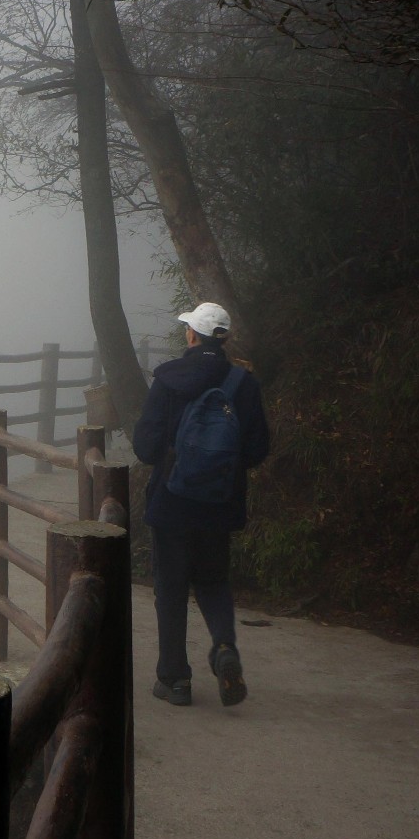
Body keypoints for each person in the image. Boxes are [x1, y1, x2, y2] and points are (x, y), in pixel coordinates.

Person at [132, 301, 270, 708]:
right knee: (212, 581)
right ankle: (224, 647)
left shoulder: (169, 379)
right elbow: (259, 447)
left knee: (170, 588)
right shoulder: (244, 385)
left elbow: (144, 447)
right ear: (223, 339)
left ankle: (175, 680)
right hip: (219, 504)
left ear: (192, 336)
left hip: (171, 503)